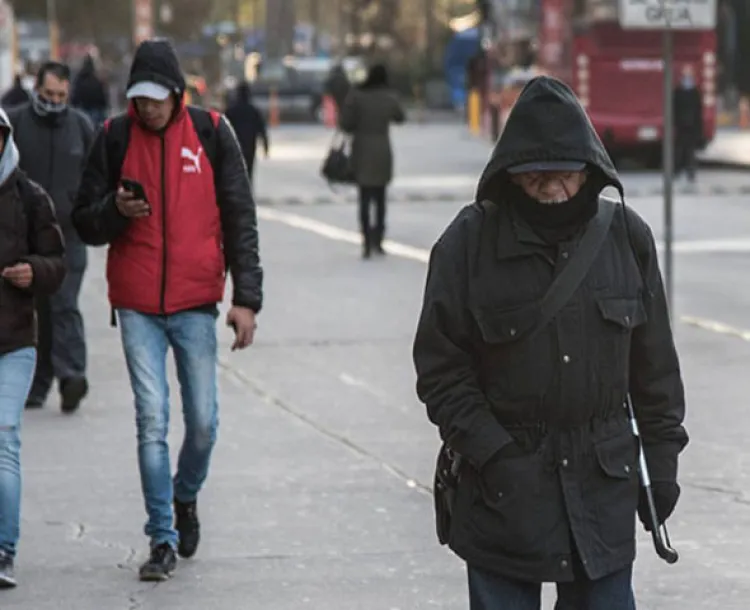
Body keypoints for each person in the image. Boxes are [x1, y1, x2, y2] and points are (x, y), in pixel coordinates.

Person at [413, 76, 687, 610]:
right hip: (504, 492)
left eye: (564, 175)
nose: (552, 189)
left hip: (602, 487)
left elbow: (654, 369)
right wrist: (494, 455)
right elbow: (441, 369)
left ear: (589, 169)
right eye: (535, 177)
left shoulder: (627, 238)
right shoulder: (468, 244)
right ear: (511, 175)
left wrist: (663, 458)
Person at [72, 37, 263, 583]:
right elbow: (84, 220)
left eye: (157, 97)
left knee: (202, 422)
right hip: (136, 306)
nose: (147, 107)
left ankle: (184, 496)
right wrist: (116, 210)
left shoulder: (211, 133)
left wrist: (246, 299)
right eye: (139, 97)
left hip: (196, 303)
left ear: (177, 94)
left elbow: (239, 218)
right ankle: (161, 537)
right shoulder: (113, 136)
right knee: (151, 419)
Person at [0, 107, 66, 589]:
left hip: (14, 341)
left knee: (3, 439)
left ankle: (4, 548)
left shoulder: (29, 196)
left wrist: (34, 273)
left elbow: (56, 261)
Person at [9, 62, 94, 413]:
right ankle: (37, 384)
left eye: (61, 95)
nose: (55, 101)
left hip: (68, 235)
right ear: (36, 90)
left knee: (64, 303)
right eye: (48, 95)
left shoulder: (81, 126)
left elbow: (94, 176)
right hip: (24, 237)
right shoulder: (14, 124)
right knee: (35, 310)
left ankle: (72, 374)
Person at [339, 64, 405, 259]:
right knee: (381, 198)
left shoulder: (357, 97)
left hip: (361, 151)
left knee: (365, 198)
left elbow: (345, 124)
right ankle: (379, 239)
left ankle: (366, 241)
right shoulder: (389, 97)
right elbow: (400, 117)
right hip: (382, 151)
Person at [225, 81, 269, 191]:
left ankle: (237, 191)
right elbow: (262, 129)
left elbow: (223, 130)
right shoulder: (253, 111)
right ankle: (247, 191)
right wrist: (265, 146)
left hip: (234, 146)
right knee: (248, 170)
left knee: (235, 171)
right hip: (250, 146)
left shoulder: (231, 111)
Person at [673, 64, 703, 185]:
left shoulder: (695, 92)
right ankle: (677, 170)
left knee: (690, 150)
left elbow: (698, 110)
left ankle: (690, 172)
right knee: (679, 149)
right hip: (681, 124)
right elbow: (674, 108)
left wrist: (698, 126)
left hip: (691, 125)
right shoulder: (678, 91)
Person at [70, 54, 110, 127]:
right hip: (95, 110)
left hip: (82, 109)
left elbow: (75, 96)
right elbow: (102, 97)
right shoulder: (96, 80)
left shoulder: (79, 80)